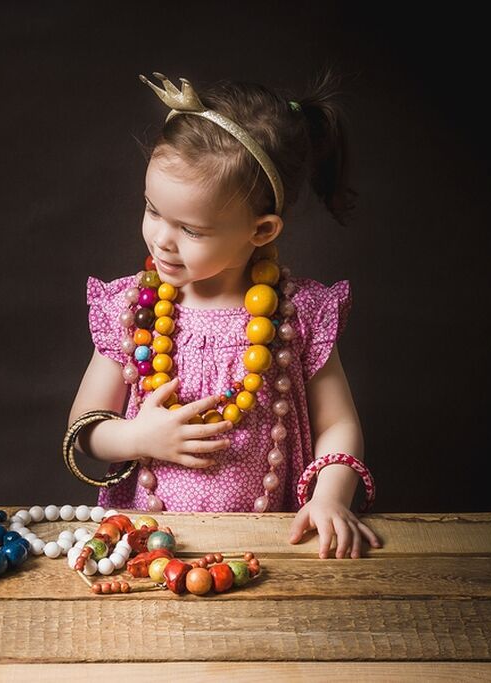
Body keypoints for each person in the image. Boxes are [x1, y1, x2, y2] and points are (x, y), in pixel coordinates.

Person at [66, 72, 380, 558]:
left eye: (191, 228)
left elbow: (338, 424)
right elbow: (84, 427)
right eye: (152, 210)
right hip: (145, 549)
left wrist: (331, 497)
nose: (161, 239)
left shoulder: (297, 315)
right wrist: (135, 437)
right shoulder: (132, 310)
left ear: (262, 229)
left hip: (268, 548)